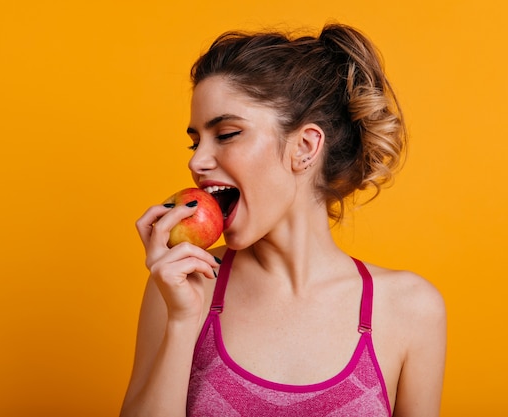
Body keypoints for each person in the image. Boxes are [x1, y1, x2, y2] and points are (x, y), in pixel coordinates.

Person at [120, 22, 446, 417]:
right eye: (195, 141)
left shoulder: (410, 308)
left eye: (225, 134)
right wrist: (182, 322)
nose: (195, 161)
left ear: (305, 147)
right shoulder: (183, 287)